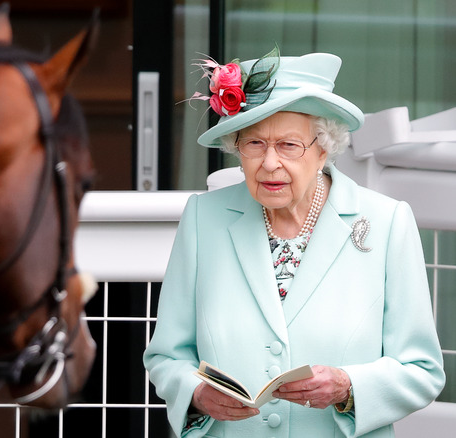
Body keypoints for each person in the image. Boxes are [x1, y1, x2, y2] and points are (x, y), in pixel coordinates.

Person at [143, 47, 446, 437]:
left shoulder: (386, 223)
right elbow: (167, 355)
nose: (269, 163)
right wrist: (196, 394)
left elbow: (421, 370)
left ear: (323, 149)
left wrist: (347, 387)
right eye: (254, 144)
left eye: (288, 145)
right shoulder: (204, 220)